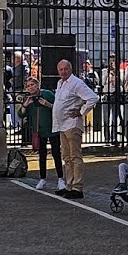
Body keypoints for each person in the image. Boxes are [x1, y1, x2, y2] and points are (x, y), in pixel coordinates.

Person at [52, 59, 99, 200]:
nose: (63, 71)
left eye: (65, 69)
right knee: (66, 157)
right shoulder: (60, 83)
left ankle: (77, 187)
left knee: (75, 156)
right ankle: (69, 185)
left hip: (72, 125)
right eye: (61, 69)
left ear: (70, 69)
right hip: (62, 125)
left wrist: (81, 112)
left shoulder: (77, 83)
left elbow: (93, 98)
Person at [19, 76, 64, 191]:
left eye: (32, 85)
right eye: (28, 86)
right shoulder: (28, 99)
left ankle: (60, 178)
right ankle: (42, 178)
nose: (30, 87)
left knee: (56, 153)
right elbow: (21, 114)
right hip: (39, 131)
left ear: (37, 85)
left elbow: (58, 108)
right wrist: (25, 105)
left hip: (52, 129)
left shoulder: (47, 94)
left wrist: (47, 104)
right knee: (42, 155)